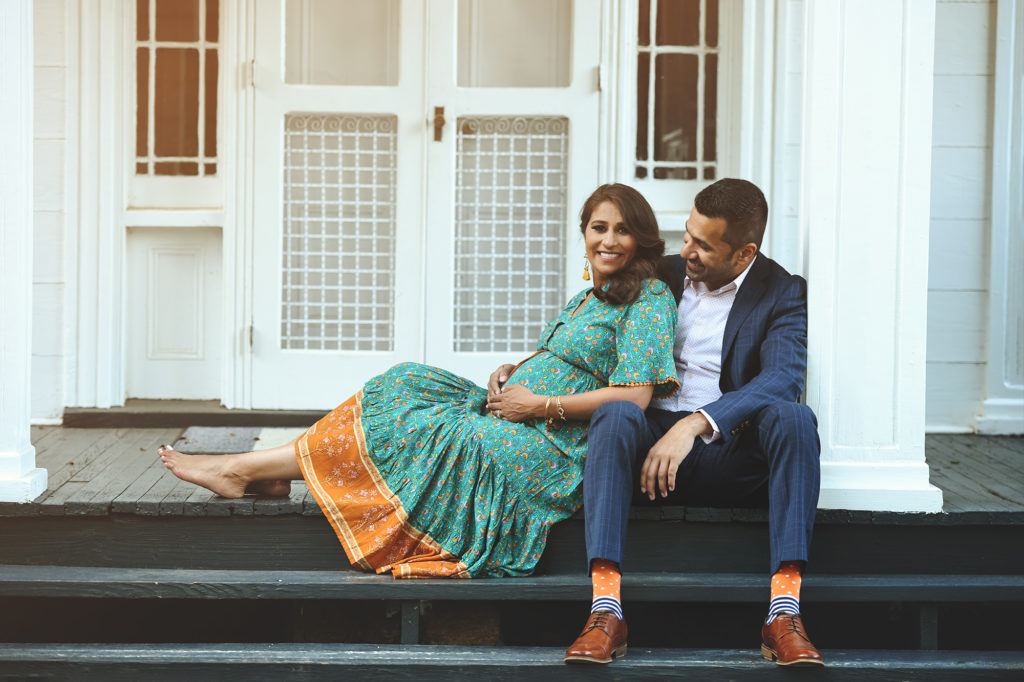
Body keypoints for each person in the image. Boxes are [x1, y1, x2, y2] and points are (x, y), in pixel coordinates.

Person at [159, 183, 680, 579]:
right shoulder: (591, 295)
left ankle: (242, 468)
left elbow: (635, 396)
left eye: (621, 230)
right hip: (521, 410)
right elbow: (569, 355)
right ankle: (270, 471)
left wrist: (539, 404)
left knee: (442, 433)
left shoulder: (649, 298)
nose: (608, 240)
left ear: (641, 239)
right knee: (406, 386)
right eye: (598, 228)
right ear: (584, 234)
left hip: (556, 447)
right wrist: (518, 369)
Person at [563, 178, 823, 666]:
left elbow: (782, 377)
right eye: (686, 235)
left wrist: (696, 424)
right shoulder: (660, 274)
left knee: (794, 418)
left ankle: (784, 613)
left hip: (729, 453)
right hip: (646, 451)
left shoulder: (781, 293)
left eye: (702, 245)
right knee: (618, 410)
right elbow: (590, 331)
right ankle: (605, 609)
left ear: (744, 254)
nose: (685, 251)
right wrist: (532, 370)